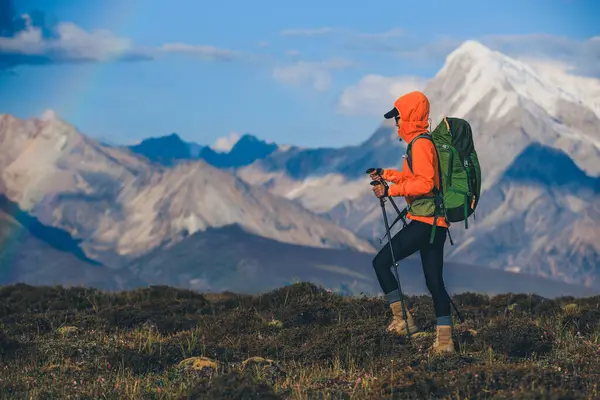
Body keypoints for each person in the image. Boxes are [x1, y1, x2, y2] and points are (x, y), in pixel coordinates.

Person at [370, 90, 454, 355]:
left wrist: (388, 191)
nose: (395, 124)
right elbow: (411, 179)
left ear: (407, 117)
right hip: (435, 224)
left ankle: (403, 321)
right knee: (434, 283)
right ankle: (445, 342)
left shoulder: (420, 144)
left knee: (381, 263)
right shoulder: (420, 143)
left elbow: (425, 183)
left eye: (397, 118)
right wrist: (387, 175)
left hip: (424, 223)